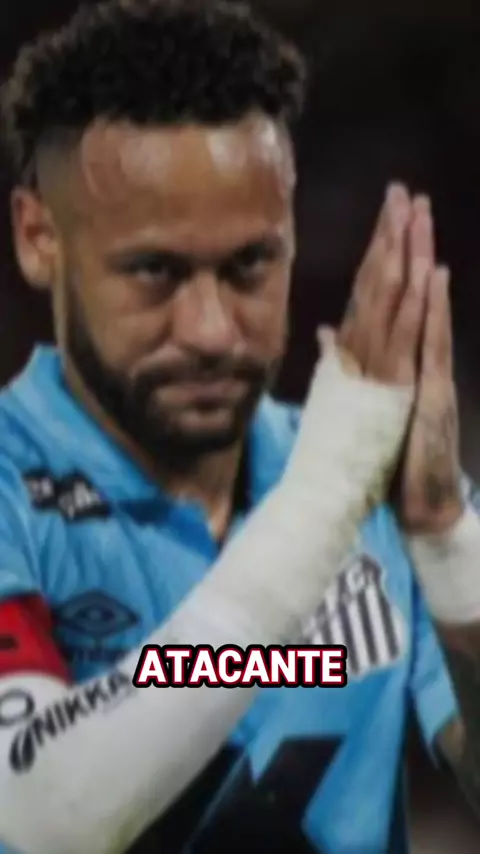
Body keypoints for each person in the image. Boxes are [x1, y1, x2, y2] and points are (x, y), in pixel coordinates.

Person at [0, 1, 479, 852]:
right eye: (155, 271)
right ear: (39, 237)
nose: (212, 331)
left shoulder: (368, 482)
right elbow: (40, 811)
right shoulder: (11, 487)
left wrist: (446, 542)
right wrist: (323, 505)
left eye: (251, 264)